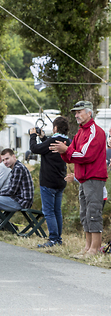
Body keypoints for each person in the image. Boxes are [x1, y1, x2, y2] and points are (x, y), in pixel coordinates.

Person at [50, 101, 108, 256]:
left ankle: (94, 249)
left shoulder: (95, 131)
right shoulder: (80, 133)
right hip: (83, 178)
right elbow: (71, 157)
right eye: (75, 112)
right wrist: (64, 151)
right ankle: (88, 248)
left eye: (79, 112)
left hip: (94, 178)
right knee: (85, 214)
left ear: (89, 113)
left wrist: (66, 150)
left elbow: (84, 155)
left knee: (93, 213)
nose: (76, 115)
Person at [29, 117, 70, 247]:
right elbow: (47, 148)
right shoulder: (67, 141)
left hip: (48, 181)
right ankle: (58, 239)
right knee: (57, 210)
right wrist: (42, 137)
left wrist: (32, 136)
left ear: (55, 128)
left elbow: (36, 149)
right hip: (60, 181)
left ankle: (53, 238)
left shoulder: (53, 140)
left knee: (49, 211)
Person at [0, 148, 34, 239]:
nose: (5, 162)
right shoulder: (15, 168)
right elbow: (11, 190)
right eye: (3, 160)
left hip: (21, 202)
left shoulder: (18, 168)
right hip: (18, 199)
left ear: (14, 157)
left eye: (7, 159)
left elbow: (11, 191)